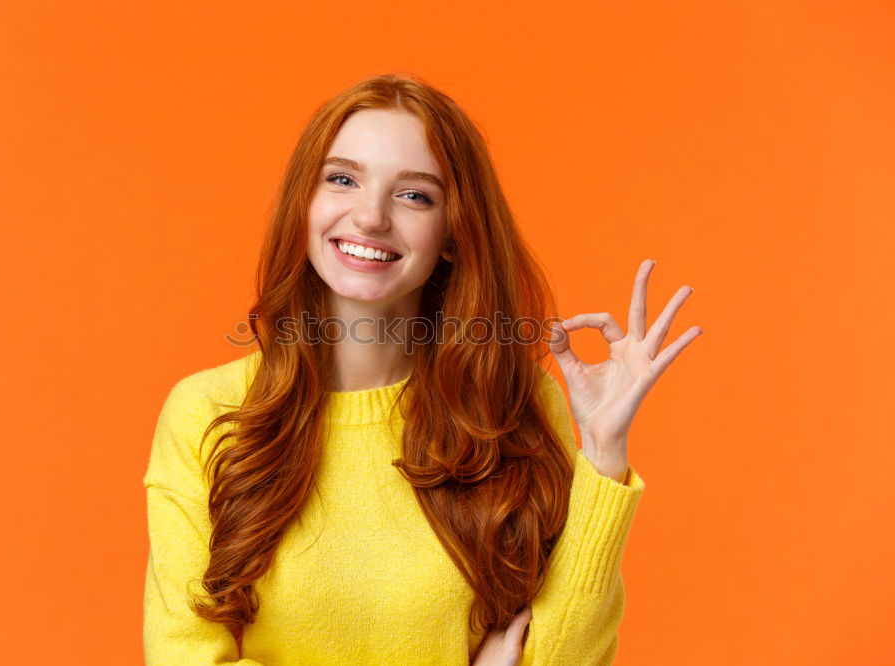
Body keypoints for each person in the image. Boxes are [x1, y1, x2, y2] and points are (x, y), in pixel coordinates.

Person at [142, 73, 702, 665]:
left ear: (454, 234)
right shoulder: (207, 413)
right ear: (304, 203)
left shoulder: (510, 403)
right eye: (342, 179)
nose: (370, 217)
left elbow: (562, 656)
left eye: (414, 195)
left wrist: (605, 452)